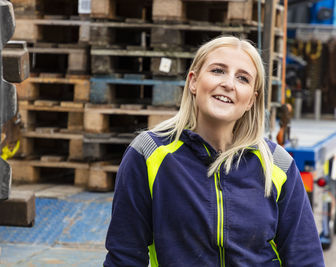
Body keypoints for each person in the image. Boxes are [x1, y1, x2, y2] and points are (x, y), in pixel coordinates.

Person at [103, 36, 325, 266]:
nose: (229, 84)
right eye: (218, 70)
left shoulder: (277, 164)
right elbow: (125, 256)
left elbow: (305, 258)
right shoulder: (148, 154)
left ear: (251, 100)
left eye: (243, 78)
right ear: (193, 81)